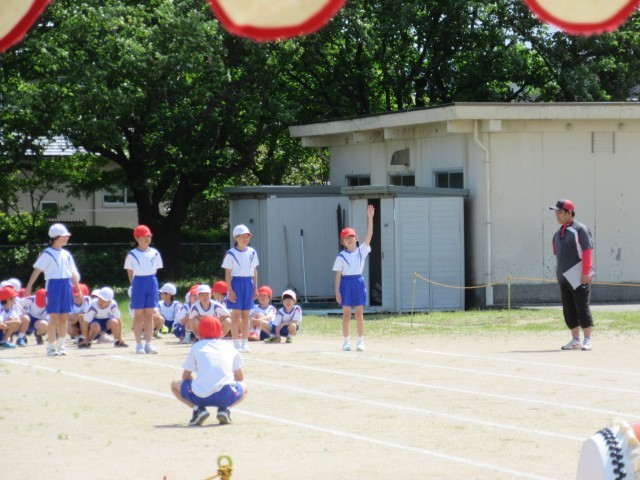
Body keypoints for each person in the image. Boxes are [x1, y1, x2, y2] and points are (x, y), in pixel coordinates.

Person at [170, 316, 247, 426]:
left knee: (174, 385)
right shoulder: (229, 346)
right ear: (221, 332)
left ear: (199, 333)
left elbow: (185, 376)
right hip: (225, 395)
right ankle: (225, 409)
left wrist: (196, 382)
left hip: (201, 396)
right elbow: (240, 378)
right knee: (245, 387)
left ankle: (197, 409)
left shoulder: (196, 347)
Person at [25, 223, 82, 356]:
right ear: (56, 237)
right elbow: (37, 270)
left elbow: (72, 273)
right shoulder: (47, 253)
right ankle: (51, 346)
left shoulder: (66, 254)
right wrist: (29, 286)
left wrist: (78, 290)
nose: (67, 238)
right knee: (54, 317)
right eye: (64, 236)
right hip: (53, 286)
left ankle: (61, 346)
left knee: (64, 317)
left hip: (66, 285)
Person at [550, 199, 595, 351]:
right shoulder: (558, 234)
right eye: (556, 212)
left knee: (582, 308)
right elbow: (557, 254)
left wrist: (585, 273)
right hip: (564, 278)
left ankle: (587, 339)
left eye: (559, 211)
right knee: (568, 310)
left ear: (569, 212)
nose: (557, 215)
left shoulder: (580, 229)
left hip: (579, 277)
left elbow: (587, 251)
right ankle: (576, 340)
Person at [333, 204, 375, 352]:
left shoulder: (361, 251)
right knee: (346, 314)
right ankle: (346, 341)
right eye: (346, 238)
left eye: (351, 237)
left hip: (358, 282)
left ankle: (360, 341)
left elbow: (369, 235)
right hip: (346, 283)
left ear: (356, 238)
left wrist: (370, 218)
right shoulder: (341, 256)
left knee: (359, 314)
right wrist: (337, 291)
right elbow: (338, 275)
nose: (349, 239)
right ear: (342, 242)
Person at [124, 224, 163, 355]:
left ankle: (149, 343)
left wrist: (150, 281)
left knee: (149, 314)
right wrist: (134, 286)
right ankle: (139, 344)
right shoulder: (132, 254)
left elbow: (155, 269)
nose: (147, 239)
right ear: (137, 238)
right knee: (138, 315)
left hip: (151, 281)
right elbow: (130, 272)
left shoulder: (155, 253)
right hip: (138, 283)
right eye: (144, 236)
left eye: (149, 236)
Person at [222, 224, 259, 353]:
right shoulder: (230, 253)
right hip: (236, 283)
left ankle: (245, 342)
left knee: (246, 315)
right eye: (242, 236)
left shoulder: (252, 252)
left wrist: (255, 288)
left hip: (249, 283)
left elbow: (254, 271)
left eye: (247, 236)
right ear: (236, 238)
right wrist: (230, 290)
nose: (245, 239)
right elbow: (227, 273)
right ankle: (236, 343)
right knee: (236, 315)